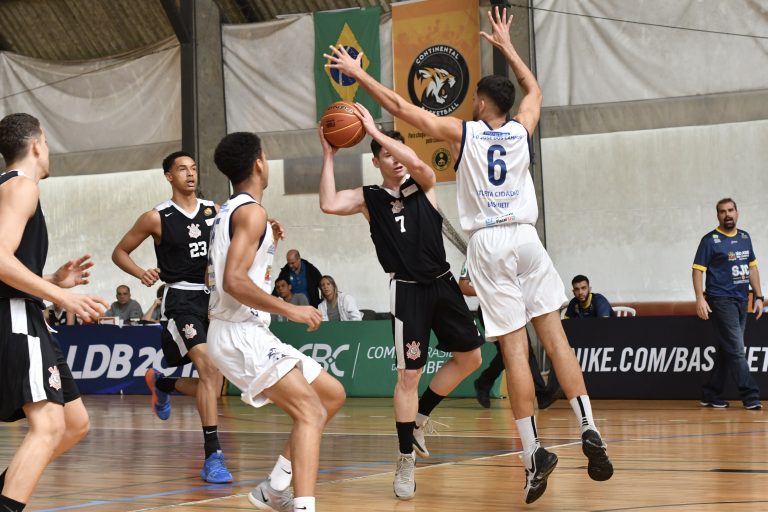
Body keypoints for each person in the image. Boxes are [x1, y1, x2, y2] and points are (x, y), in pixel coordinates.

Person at [324, 6, 613, 503]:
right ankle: (588, 424)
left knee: (515, 351)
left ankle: (533, 451)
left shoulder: (466, 132)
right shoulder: (521, 129)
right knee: (557, 341)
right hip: (528, 238)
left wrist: (358, 75)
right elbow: (535, 91)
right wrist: (508, 48)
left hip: (490, 244)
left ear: (480, 103)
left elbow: (402, 107)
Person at [319, 105, 483, 500]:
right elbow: (328, 203)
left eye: (398, 152)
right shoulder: (369, 198)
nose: (395, 159)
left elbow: (418, 162)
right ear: (375, 162)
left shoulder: (424, 182)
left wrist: (377, 131)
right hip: (407, 290)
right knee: (409, 376)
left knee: (471, 358)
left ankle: (421, 418)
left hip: (443, 283)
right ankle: (405, 459)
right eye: (386, 154)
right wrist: (328, 155)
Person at [207, 131, 345, 512]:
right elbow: (233, 281)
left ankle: (275, 486)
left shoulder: (233, 211)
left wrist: (268, 242)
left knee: (331, 395)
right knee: (310, 412)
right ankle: (302, 506)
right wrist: (290, 309)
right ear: (259, 163)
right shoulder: (251, 213)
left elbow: (233, 270)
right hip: (238, 332)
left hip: (244, 329)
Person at [0, 112, 109, 512]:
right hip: (15, 315)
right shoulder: (22, 186)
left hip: (25, 313)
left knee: (74, 424)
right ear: (36, 145)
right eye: (46, 142)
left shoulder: (10, 188)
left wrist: (49, 279)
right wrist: (61, 297)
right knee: (47, 426)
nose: (48, 149)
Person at [111, 151, 232, 483]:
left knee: (213, 383)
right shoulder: (156, 217)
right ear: (169, 176)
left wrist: (268, 233)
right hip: (181, 299)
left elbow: (241, 239)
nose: (190, 174)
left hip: (214, 299)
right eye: (182, 169)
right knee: (208, 369)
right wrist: (141, 272)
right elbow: (119, 252)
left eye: (193, 168)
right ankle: (213, 457)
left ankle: (162, 383)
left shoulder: (214, 211)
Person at [693, 197, 763, 410]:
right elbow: (697, 270)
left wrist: (759, 297)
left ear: (737, 213)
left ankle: (710, 393)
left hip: (742, 299)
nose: (727, 215)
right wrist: (700, 298)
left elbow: (752, 268)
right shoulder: (709, 240)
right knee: (737, 350)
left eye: (731, 210)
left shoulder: (745, 237)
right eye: (723, 211)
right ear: (718, 215)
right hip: (720, 300)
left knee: (728, 349)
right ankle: (751, 396)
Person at [458, 264, 559, 410]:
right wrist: (491, 293)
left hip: (511, 308)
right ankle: (540, 394)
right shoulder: (473, 257)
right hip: (490, 310)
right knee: (513, 351)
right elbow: (463, 286)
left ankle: (484, 382)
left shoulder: (510, 253)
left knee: (520, 351)